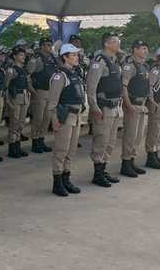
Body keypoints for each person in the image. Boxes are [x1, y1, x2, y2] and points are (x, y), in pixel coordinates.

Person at [46, 44, 85, 196]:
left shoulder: (75, 73)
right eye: (73, 55)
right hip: (65, 116)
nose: (77, 57)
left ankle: (66, 179)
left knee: (71, 149)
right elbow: (53, 102)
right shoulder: (60, 76)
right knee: (61, 150)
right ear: (65, 57)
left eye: (77, 55)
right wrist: (54, 120)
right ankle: (57, 182)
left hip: (76, 115)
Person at [86, 32, 122, 187]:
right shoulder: (99, 61)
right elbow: (91, 87)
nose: (118, 44)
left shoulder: (114, 61)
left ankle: (104, 169)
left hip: (114, 107)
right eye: (115, 41)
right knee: (101, 140)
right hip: (103, 107)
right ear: (107, 44)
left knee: (111, 141)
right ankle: (98, 174)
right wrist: (94, 107)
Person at [120, 40, 150, 178]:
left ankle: (132, 161)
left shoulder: (145, 66)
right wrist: (128, 105)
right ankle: (126, 163)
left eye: (146, 49)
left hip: (142, 105)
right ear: (135, 50)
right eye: (143, 48)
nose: (146, 51)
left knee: (138, 137)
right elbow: (124, 87)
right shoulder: (129, 66)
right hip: (132, 105)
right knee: (130, 136)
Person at [27, 37, 57, 153]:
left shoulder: (53, 58)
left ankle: (41, 139)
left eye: (51, 45)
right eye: (47, 45)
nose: (50, 47)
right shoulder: (37, 58)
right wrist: (32, 90)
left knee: (47, 118)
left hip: (50, 91)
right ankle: (35, 141)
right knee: (38, 118)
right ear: (42, 46)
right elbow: (28, 74)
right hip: (39, 91)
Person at [5, 47, 30, 158]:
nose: (23, 57)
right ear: (15, 56)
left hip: (24, 96)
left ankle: (18, 146)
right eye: (20, 55)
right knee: (14, 123)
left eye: (23, 55)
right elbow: (6, 86)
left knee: (21, 123)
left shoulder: (23, 69)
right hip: (15, 96)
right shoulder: (11, 69)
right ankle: (12, 148)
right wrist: (8, 101)